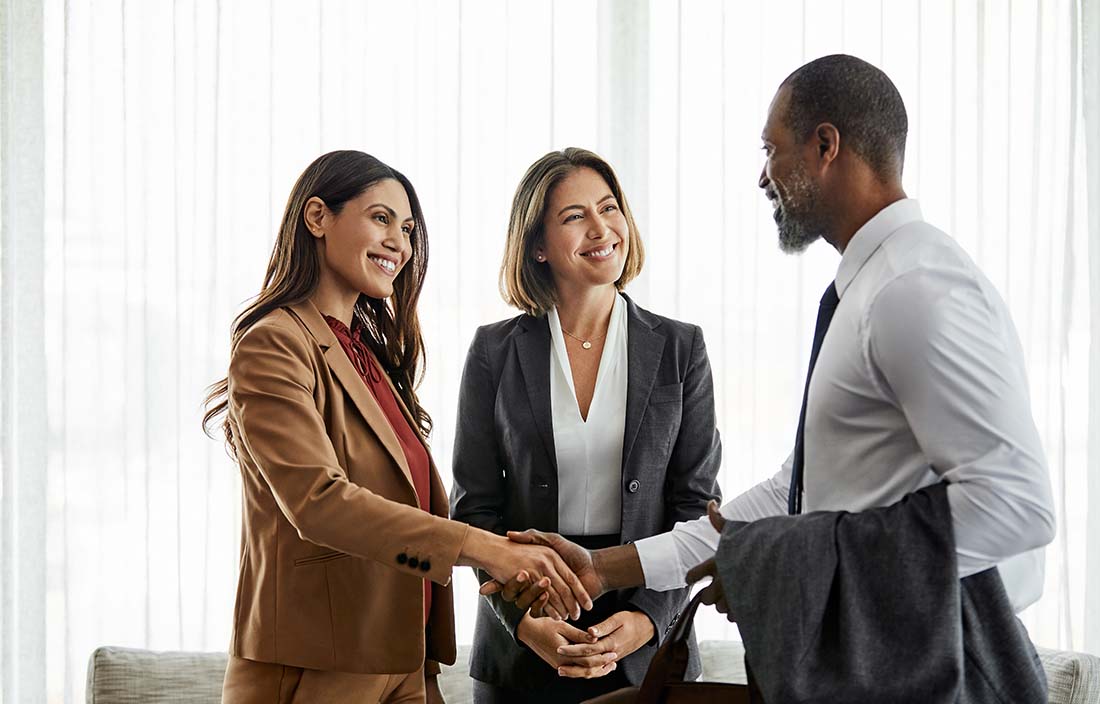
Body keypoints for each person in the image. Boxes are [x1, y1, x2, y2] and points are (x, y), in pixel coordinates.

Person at [488, 53, 1055, 684]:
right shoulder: (867, 290)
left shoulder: (913, 288)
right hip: (888, 655)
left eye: (772, 149)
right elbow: (798, 491)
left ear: (825, 147)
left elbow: (1016, 508)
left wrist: (797, 567)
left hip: (937, 660)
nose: (764, 176)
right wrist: (608, 569)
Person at [202, 150, 592, 704]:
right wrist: (485, 548)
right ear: (317, 218)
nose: (400, 244)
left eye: (407, 229)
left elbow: (406, 506)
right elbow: (318, 502)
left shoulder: (369, 355)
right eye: (381, 218)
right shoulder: (274, 341)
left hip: (404, 658)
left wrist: (512, 556)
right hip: (315, 665)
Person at [450, 148, 722, 704]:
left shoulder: (680, 347)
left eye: (609, 207)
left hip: (649, 639)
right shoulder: (493, 351)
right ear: (538, 246)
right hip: (523, 637)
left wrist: (646, 622)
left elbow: (696, 507)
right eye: (574, 216)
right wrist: (524, 625)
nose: (602, 229)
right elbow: (474, 511)